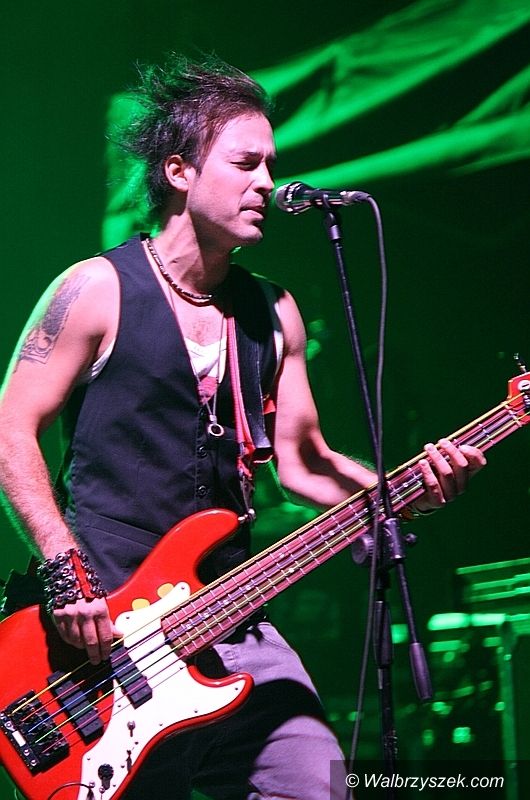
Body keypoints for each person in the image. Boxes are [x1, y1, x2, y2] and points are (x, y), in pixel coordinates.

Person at [0, 55, 486, 800]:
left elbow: (304, 462)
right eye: (245, 163)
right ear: (179, 171)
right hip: (102, 635)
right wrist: (67, 576)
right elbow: (10, 427)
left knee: (315, 783)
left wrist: (409, 488)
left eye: (270, 165)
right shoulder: (96, 289)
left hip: (231, 615)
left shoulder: (274, 311)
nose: (266, 182)